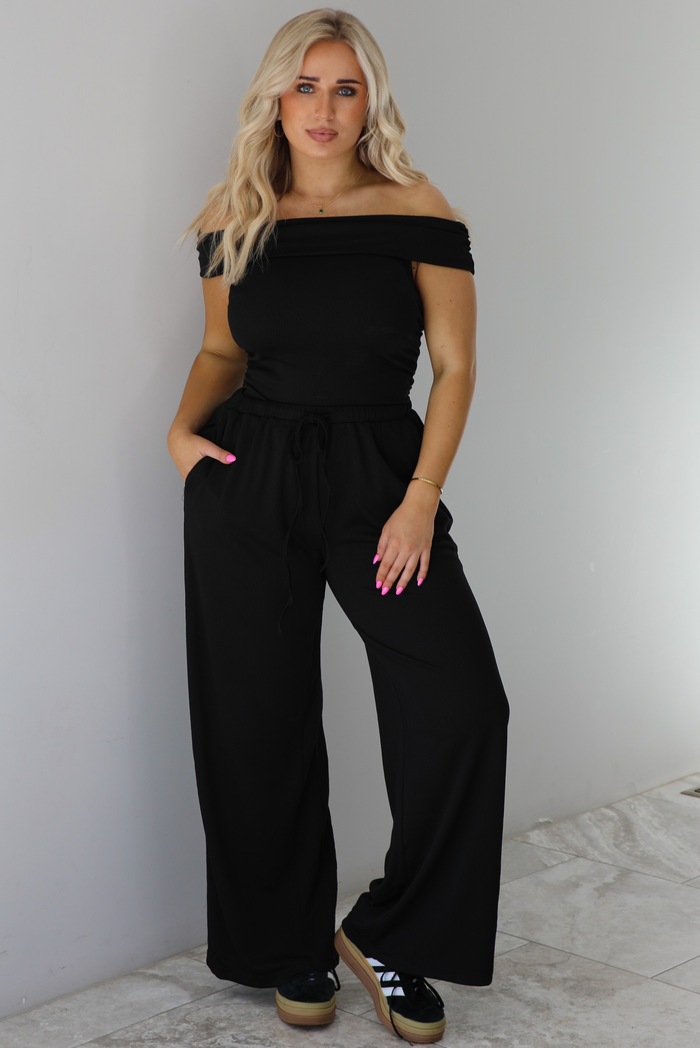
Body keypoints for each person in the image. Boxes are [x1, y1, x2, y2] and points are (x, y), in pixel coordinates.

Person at [168, 8, 509, 1044]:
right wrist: (182, 433)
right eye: (305, 85)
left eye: (345, 88)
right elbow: (224, 350)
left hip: (376, 477)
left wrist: (416, 499)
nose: (322, 108)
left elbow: (453, 368)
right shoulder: (234, 212)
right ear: (276, 94)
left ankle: (391, 931)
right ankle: (289, 945)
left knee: (461, 701)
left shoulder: (415, 207)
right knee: (255, 721)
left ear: (372, 102)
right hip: (249, 475)